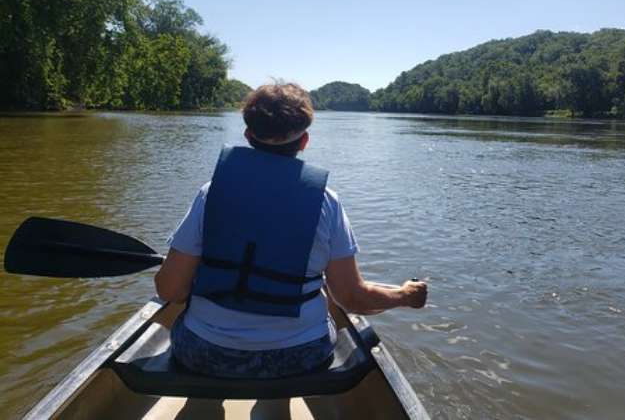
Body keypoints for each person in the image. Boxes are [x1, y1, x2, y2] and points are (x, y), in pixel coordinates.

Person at [154, 82, 428, 378]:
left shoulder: (212, 193)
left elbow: (169, 289)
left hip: (205, 352)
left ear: (248, 135)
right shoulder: (326, 202)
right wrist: (404, 296)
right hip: (299, 356)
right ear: (304, 141)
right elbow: (351, 298)